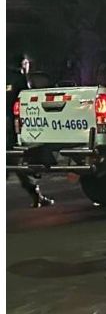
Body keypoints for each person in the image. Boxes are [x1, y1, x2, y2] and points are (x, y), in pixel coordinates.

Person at [6, 53, 53, 208]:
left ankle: (36, 195)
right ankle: (36, 195)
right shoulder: (19, 79)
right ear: (23, 63)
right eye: (27, 63)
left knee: (14, 163)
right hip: (10, 127)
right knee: (16, 162)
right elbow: (27, 100)